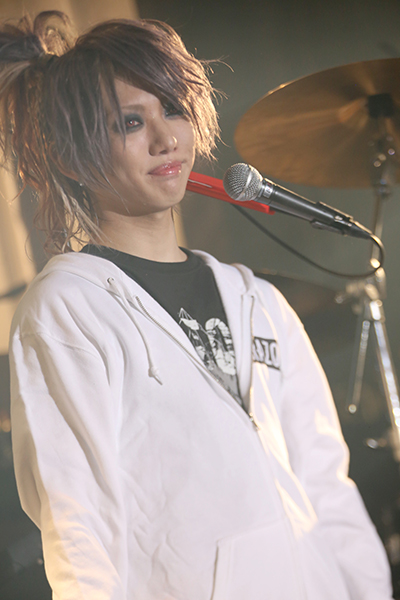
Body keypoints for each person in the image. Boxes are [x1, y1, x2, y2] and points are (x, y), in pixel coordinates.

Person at [3, 11, 393, 600]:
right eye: (131, 121)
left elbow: (326, 485)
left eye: (174, 109)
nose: (166, 139)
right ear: (72, 154)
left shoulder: (258, 300)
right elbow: (79, 525)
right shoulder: (69, 308)